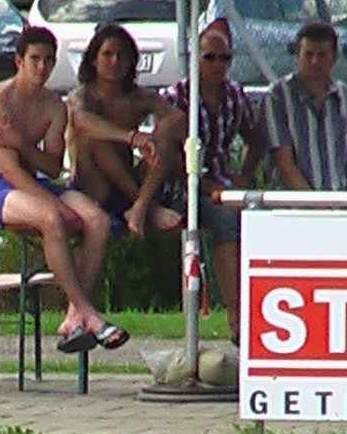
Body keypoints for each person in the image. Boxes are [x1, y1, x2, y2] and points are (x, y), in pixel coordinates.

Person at [0, 25, 126, 355]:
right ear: (19, 61)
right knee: (52, 218)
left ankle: (73, 317)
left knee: (97, 220)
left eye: (48, 60)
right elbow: (9, 170)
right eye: (35, 59)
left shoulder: (54, 105)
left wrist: (21, 143)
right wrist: (54, 206)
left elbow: (53, 166)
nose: (41, 68)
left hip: (33, 182)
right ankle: (88, 314)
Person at [165, 18, 264, 344]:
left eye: (225, 58)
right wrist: (213, 188)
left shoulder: (235, 94)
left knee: (262, 214)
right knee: (225, 219)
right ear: (195, 58)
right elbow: (170, 161)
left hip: (224, 182)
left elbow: (255, 139)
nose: (218, 65)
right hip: (183, 187)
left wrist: (244, 174)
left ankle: (262, 304)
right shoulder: (177, 97)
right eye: (210, 57)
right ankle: (237, 317)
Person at [67, 23, 185, 239]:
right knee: (93, 136)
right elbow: (82, 120)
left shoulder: (138, 97)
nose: (114, 62)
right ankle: (148, 208)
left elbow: (177, 118)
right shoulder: (82, 96)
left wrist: (157, 135)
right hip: (94, 186)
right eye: (107, 54)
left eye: (121, 56)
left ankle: (140, 206)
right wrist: (131, 137)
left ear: (131, 61)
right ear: (94, 60)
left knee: (168, 137)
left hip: (129, 178)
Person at [262, 21, 347, 191]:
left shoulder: (344, 95)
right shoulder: (277, 96)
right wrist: (313, 202)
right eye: (309, 54)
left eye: (322, 55)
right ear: (297, 55)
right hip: (292, 201)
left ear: (334, 57)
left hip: (339, 199)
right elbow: (284, 163)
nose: (315, 61)